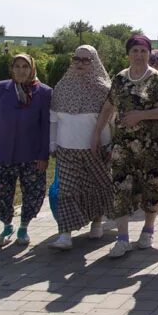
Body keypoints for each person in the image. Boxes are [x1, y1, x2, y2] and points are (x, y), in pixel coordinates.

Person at [93, 34, 158, 259]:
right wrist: (96, 133)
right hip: (124, 146)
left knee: (152, 188)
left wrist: (142, 115)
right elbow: (108, 107)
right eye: (134, 51)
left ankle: (148, 230)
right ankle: (122, 240)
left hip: (153, 146)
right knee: (121, 188)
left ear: (149, 54)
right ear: (128, 54)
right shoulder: (120, 78)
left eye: (143, 51)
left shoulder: (157, 78)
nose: (139, 55)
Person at [0, 53, 52, 248]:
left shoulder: (43, 93)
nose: (21, 70)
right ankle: (7, 225)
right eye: (17, 66)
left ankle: (24, 228)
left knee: (33, 193)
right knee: (0, 194)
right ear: (12, 69)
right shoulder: (2, 89)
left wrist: (44, 155)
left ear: (32, 68)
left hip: (31, 153)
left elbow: (46, 127)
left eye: (25, 66)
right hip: (1, 151)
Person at [48, 45, 115, 250]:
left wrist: (113, 146)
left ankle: (96, 222)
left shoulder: (104, 89)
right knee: (66, 191)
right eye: (77, 58)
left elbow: (113, 121)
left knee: (97, 188)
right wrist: (52, 144)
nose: (80, 63)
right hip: (66, 148)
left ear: (94, 62)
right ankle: (65, 235)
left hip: (97, 149)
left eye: (86, 60)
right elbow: (53, 120)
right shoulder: (62, 87)